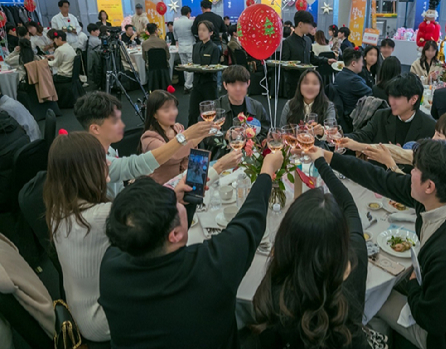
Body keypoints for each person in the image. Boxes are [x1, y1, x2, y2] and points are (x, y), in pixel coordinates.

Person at [317, 139, 446, 349]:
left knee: (368, 301)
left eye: (415, 168)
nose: (410, 173)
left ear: (430, 186)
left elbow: (434, 321)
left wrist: (414, 285)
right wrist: (328, 157)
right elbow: (380, 178)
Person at [98, 152, 284, 349]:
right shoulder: (210, 269)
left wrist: (178, 201)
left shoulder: (111, 267)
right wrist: (266, 171)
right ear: (175, 235)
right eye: (174, 205)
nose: (177, 202)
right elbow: (249, 222)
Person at [252, 148, 370, 348]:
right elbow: (349, 205)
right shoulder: (356, 255)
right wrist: (321, 163)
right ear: (342, 236)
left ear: (286, 239)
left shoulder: (277, 289)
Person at [73, 92, 215, 197]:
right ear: (95, 128)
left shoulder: (108, 149)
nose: (123, 125)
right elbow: (138, 165)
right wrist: (186, 135)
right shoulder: (97, 161)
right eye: (115, 121)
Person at [44, 132, 113, 343]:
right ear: (88, 171)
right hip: (102, 320)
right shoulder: (102, 215)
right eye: (102, 159)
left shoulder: (57, 209)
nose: (108, 163)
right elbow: (158, 219)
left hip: (79, 311)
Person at [365, 110, 446, 200]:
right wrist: (357, 145)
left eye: (439, 135)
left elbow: (418, 194)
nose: (433, 139)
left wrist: (391, 164)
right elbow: (403, 154)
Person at [343, 73, 435, 157]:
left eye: (397, 97)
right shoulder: (381, 116)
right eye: (390, 96)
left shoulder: (429, 126)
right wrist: (340, 138)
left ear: (414, 99)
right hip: (379, 172)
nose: (391, 102)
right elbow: (362, 135)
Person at [203, 65, 270, 159]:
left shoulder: (257, 107)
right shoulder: (214, 109)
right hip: (221, 158)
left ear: (248, 83)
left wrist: (250, 141)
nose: (238, 89)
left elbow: (265, 133)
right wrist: (226, 135)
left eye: (242, 84)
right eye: (233, 85)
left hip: (251, 159)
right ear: (225, 85)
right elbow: (204, 136)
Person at [281, 11, 336, 98]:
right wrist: (295, 65)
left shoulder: (308, 40)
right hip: (294, 82)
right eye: (309, 24)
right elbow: (285, 63)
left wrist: (326, 60)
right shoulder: (288, 42)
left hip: (307, 81)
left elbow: (311, 58)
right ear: (300, 24)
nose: (311, 27)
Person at [279, 69, 336, 134]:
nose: (310, 87)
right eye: (306, 83)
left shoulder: (328, 106)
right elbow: (282, 131)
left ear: (320, 87)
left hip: (317, 144)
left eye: (315, 83)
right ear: (299, 85)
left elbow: (331, 132)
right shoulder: (290, 105)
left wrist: (322, 131)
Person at [188, 20, 221, 126]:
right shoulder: (196, 46)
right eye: (199, 30)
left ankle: (211, 139)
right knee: (192, 113)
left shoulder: (214, 48)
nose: (201, 32)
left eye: (204, 30)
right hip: (197, 83)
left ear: (210, 33)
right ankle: (191, 138)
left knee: (210, 114)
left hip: (209, 84)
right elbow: (194, 64)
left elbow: (213, 67)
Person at [333, 48, 372, 115]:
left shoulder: (338, 75)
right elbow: (371, 93)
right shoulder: (354, 80)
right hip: (355, 116)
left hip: (344, 114)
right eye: (361, 62)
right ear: (353, 63)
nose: (362, 65)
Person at [173, 6, 195, 94]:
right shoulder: (191, 22)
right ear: (188, 13)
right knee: (191, 66)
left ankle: (187, 84)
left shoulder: (176, 23)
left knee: (185, 67)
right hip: (190, 47)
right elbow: (194, 34)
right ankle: (188, 85)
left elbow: (175, 37)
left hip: (181, 47)